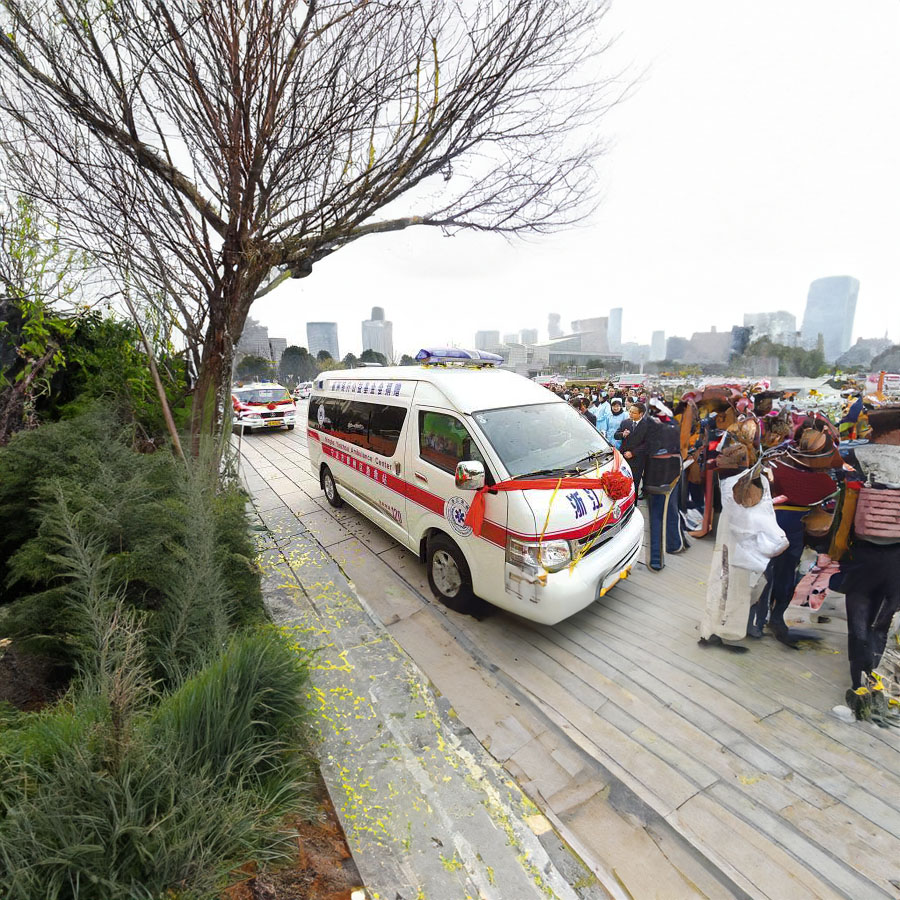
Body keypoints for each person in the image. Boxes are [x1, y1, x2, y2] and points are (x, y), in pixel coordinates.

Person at [834, 405, 900, 721]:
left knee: (858, 623)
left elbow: (841, 504)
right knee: (882, 625)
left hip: (861, 554)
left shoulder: (858, 458)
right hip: (897, 560)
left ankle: (859, 686)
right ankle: (877, 686)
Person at [750, 422, 840, 647]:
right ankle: (767, 619)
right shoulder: (821, 479)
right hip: (784, 529)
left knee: (773, 575)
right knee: (774, 575)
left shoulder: (775, 464)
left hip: (780, 528)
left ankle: (763, 620)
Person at [644, 402, 684, 570]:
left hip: (656, 476)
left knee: (657, 517)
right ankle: (674, 543)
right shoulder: (675, 424)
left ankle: (656, 559)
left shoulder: (650, 426)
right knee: (672, 510)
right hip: (674, 471)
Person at [616, 402, 649, 498]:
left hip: (637, 460)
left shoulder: (647, 425)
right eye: (630, 411)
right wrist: (622, 434)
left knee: (633, 485)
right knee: (622, 484)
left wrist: (633, 453)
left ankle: (633, 505)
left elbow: (647, 443)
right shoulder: (625, 422)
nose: (630, 414)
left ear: (641, 414)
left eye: (633, 413)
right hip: (623, 459)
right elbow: (616, 435)